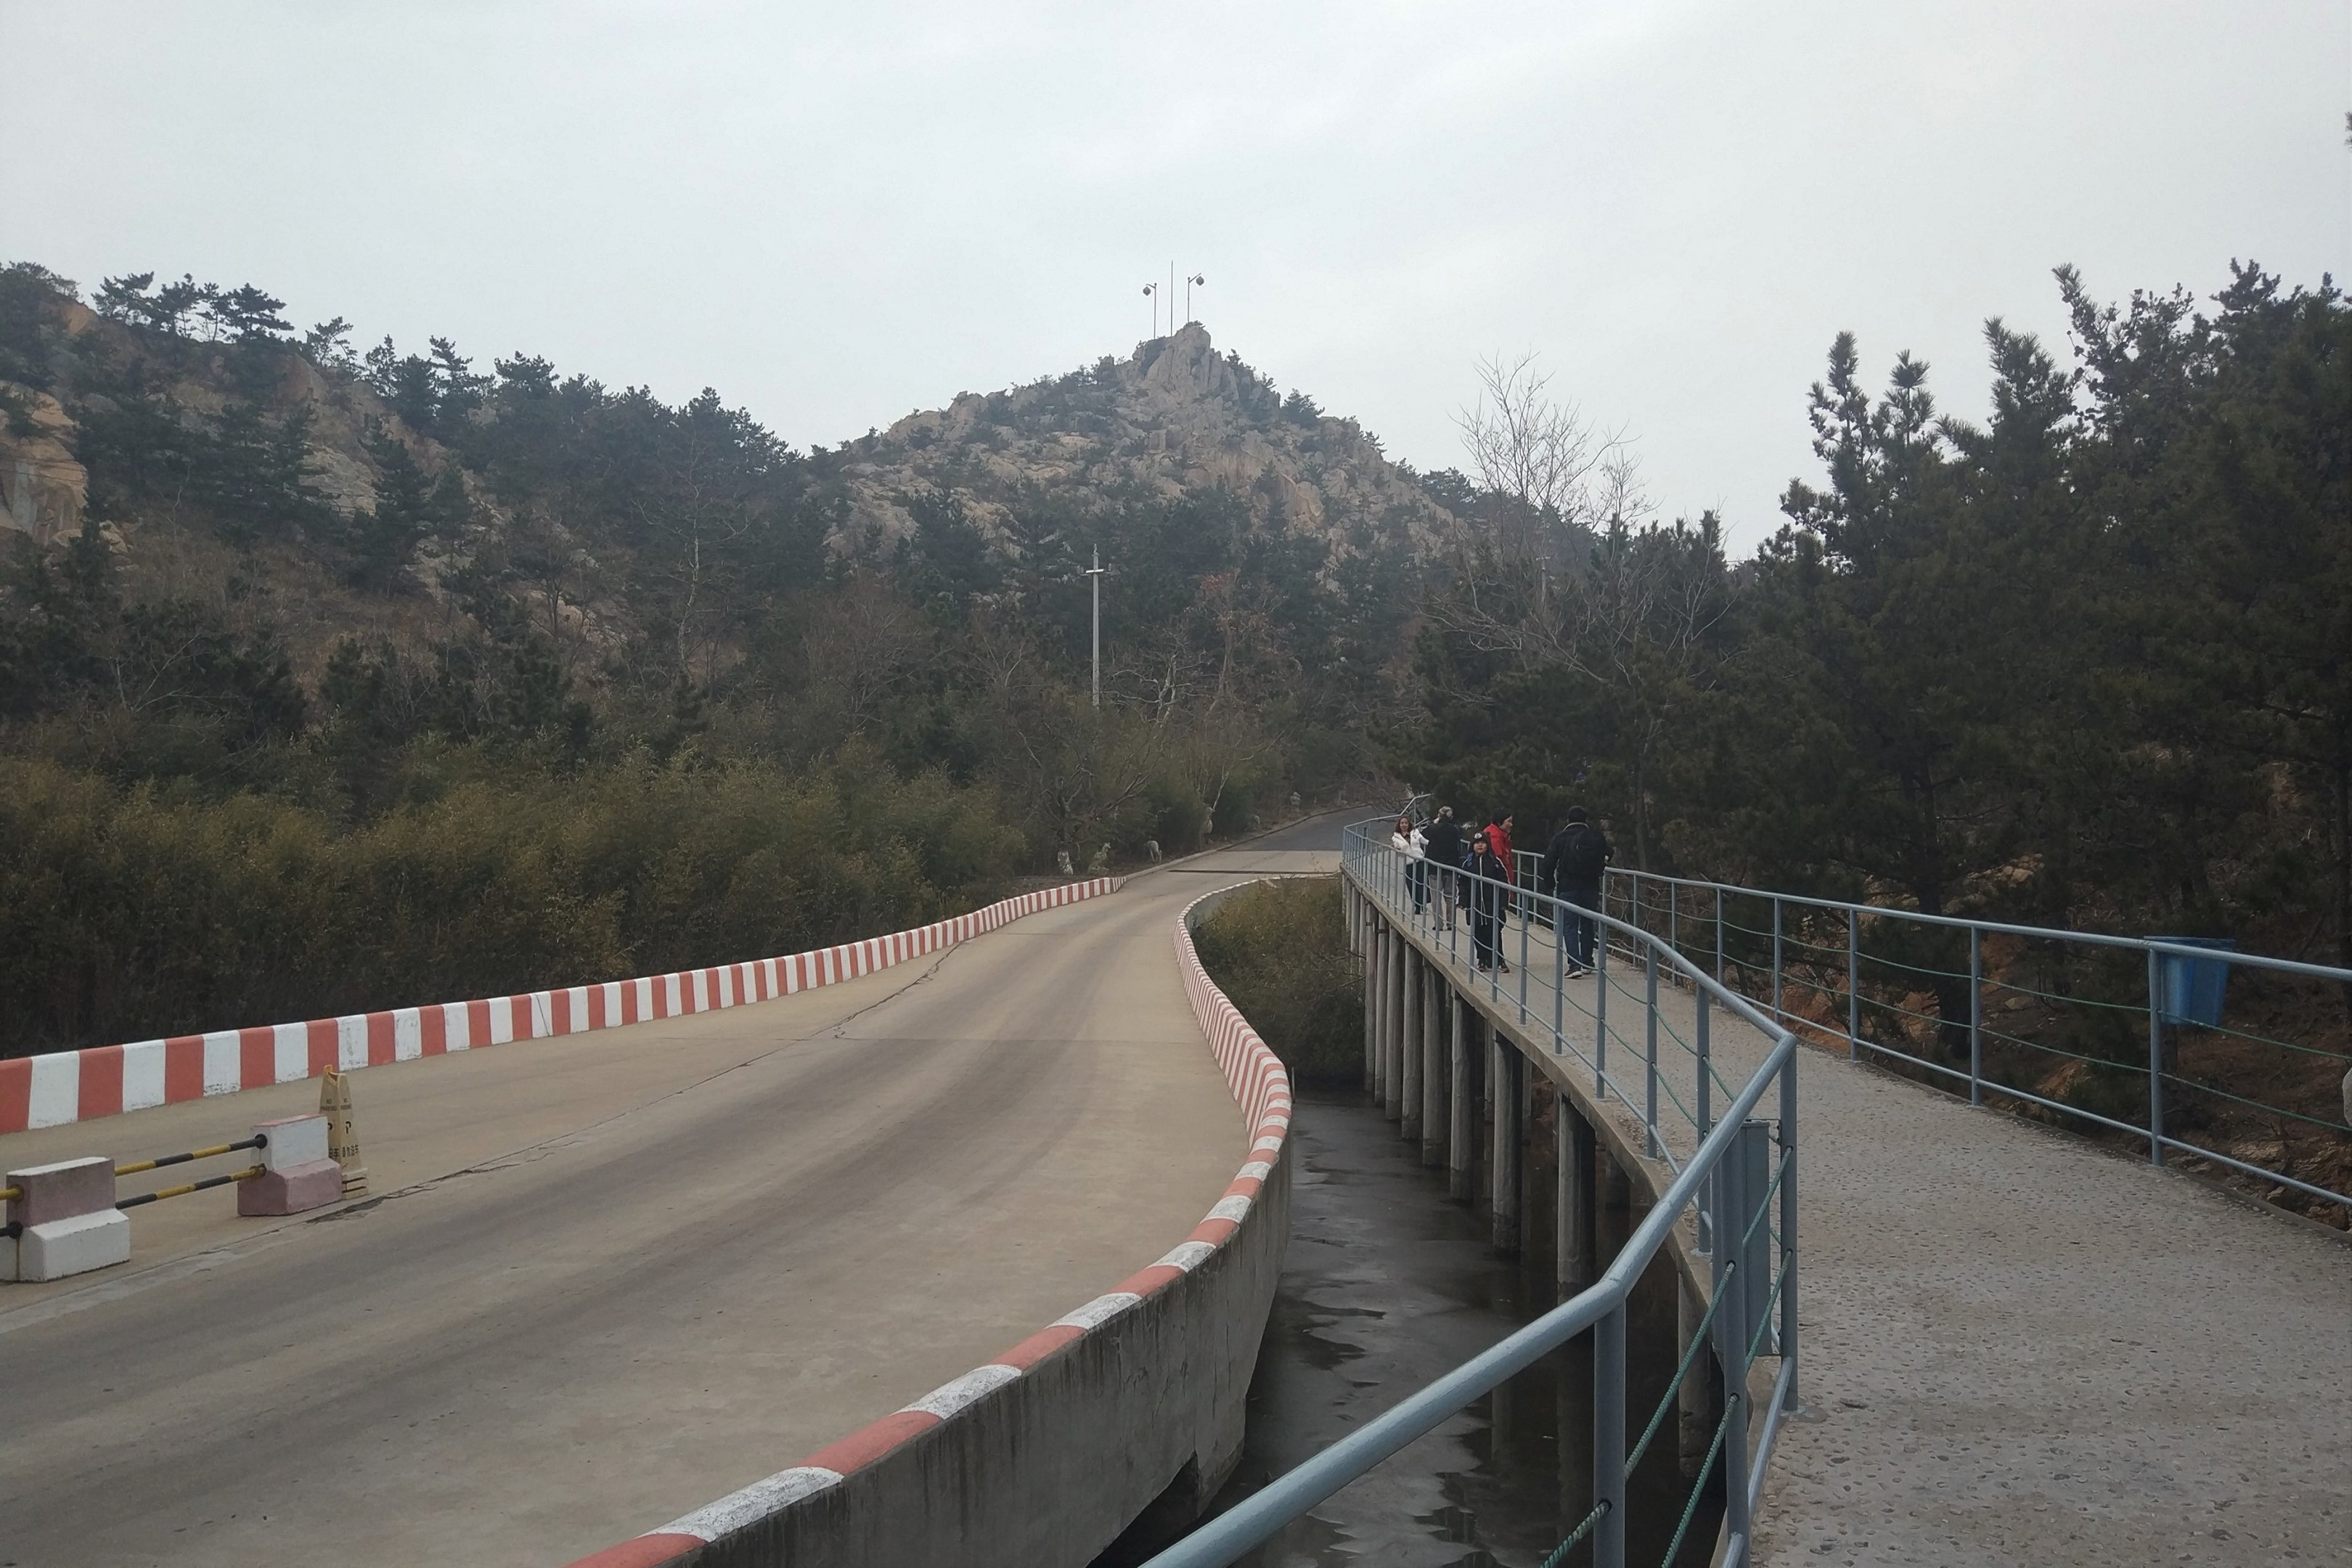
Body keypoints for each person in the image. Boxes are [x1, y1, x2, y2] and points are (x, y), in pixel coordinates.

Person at [1539, 806, 1612, 971]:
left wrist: (1549, 883)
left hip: (1568, 886)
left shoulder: (1561, 838)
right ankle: (1587, 962)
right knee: (1588, 922)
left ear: (1568, 820)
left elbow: (1549, 861)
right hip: (1591, 886)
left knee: (1570, 925)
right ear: (1585, 820)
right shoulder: (1594, 837)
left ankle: (1574, 965)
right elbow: (1609, 852)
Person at [1469, 828, 1509, 973]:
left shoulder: (1495, 862)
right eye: (1477, 843)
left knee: (1495, 931)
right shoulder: (1468, 863)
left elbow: (1504, 882)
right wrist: (1463, 901)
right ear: (1472, 846)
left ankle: (1499, 959)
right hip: (1475, 905)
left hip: (1493, 904)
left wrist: (1504, 902)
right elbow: (1463, 883)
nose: (1480, 846)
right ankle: (1482, 959)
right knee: (1478, 932)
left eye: (1483, 843)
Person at [1422, 806, 1466, 928]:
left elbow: (1423, 835)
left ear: (1439, 815)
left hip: (1434, 867)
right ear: (1451, 816)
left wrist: (1434, 822)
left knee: (1436, 897)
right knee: (1451, 896)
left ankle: (1439, 924)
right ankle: (1451, 923)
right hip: (1451, 866)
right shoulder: (1456, 829)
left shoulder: (1433, 828)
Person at [1484, 812, 1518, 926]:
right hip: (1497, 886)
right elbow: (1497, 863)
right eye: (1509, 821)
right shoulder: (1495, 838)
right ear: (1499, 823)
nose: (1511, 824)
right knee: (1496, 921)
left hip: (1499, 885)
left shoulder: (1499, 836)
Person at [1392, 814, 1429, 915]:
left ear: (1409, 824)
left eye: (1406, 823)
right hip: (1408, 862)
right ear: (1399, 825)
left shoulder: (1416, 833)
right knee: (1411, 885)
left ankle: (1423, 905)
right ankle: (1416, 905)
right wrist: (1397, 849)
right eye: (1402, 823)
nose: (1404, 825)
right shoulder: (1396, 837)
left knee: (1421, 883)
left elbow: (1425, 842)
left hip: (1419, 860)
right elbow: (1397, 849)